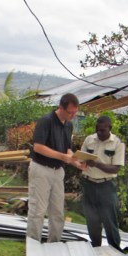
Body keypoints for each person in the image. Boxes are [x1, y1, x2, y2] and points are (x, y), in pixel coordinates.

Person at [27, 93, 85, 242]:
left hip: (58, 171)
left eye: (75, 112)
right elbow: (38, 147)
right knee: (38, 210)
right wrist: (62, 157)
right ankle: (33, 244)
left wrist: (76, 162)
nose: (72, 115)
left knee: (57, 211)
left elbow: (68, 150)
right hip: (41, 169)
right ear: (61, 107)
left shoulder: (68, 125)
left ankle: (54, 244)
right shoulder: (46, 121)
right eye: (70, 112)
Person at [80, 115, 125, 249]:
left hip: (106, 185)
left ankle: (115, 248)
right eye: (97, 130)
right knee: (92, 219)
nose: (99, 133)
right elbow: (81, 157)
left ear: (109, 128)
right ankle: (95, 247)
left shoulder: (117, 143)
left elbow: (116, 168)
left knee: (109, 219)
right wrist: (81, 161)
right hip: (88, 184)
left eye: (102, 130)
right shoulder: (89, 139)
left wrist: (96, 164)